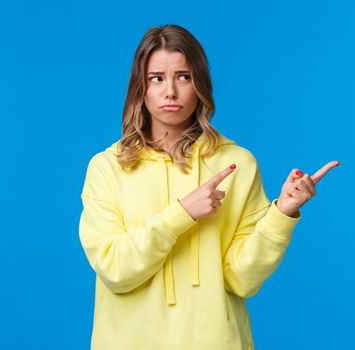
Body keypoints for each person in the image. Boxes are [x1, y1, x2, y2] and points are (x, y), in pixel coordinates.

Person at [78, 24, 339, 350]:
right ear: (140, 88)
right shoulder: (107, 167)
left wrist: (282, 214)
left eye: (183, 76)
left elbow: (241, 279)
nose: (170, 91)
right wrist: (181, 213)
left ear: (199, 83)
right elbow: (115, 270)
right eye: (157, 78)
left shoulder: (237, 164)